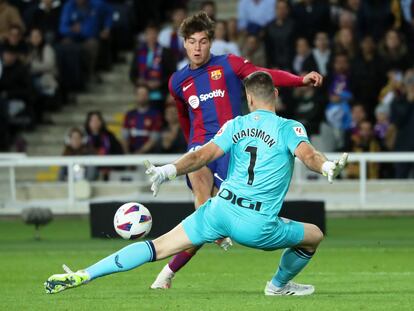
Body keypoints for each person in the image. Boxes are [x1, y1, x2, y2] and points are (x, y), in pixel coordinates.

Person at [44, 71, 347, 296]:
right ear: (276, 95)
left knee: (157, 246)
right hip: (256, 223)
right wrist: (328, 166)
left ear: (249, 98)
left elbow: (201, 155)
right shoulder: (289, 127)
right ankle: (278, 285)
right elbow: (308, 155)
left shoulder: (235, 125)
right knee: (314, 235)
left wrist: (167, 170)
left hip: (219, 209)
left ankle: (85, 274)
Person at [152, 11, 323, 290]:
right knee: (202, 198)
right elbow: (185, 117)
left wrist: (298, 80)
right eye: (192, 42)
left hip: (231, 146)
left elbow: (263, 77)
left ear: (211, 43)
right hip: (201, 148)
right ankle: (166, 275)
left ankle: (171, 269)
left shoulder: (229, 65)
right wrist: (192, 150)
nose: (197, 47)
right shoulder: (177, 81)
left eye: (203, 41)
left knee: (211, 216)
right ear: (184, 44)